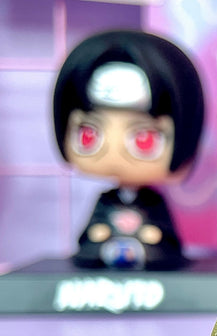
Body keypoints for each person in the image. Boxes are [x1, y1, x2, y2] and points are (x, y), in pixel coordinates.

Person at [53, 30, 204, 269]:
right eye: (89, 134)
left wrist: (152, 234)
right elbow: (94, 228)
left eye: (144, 139)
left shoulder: (152, 202)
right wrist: (100, 232)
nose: (114, 149)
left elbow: (164, 232)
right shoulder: (107, 201)